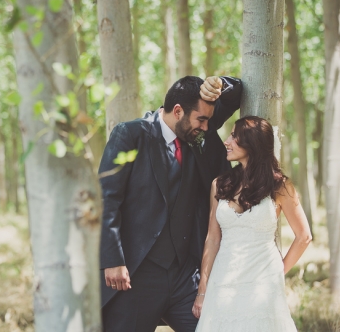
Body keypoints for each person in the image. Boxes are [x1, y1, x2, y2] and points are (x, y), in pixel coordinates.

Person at [99, 75, 243, 332]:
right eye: (202, 120)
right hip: (136, 275)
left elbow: (234, 94)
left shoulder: (195, 133)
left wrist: (219, 83)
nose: (208, 127)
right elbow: (106, 199)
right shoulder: (131, 134)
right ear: (178, 111)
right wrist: (112, 260)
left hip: (184, 277)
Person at [193, 116, 312, 331]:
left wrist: (279, 271)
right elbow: (212, 239)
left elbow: (304, 236)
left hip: (263, 283)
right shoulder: (219, 185)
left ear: (253, 144)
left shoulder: (280, 187)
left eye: (234, 137)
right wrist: (203, 289)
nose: (226, 142)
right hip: (223, 280)